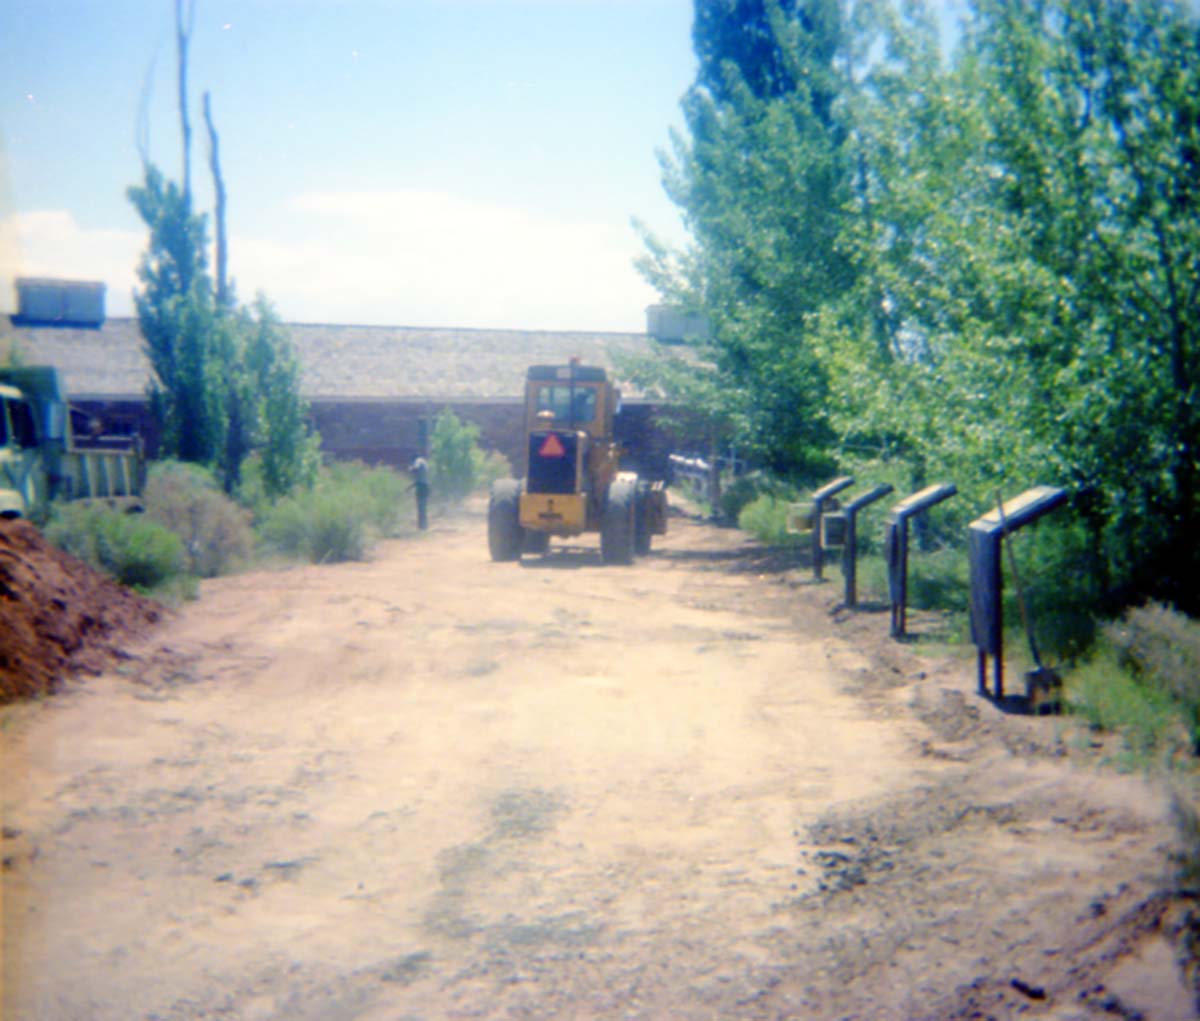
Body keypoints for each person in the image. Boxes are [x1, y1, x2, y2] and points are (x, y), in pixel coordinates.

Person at [409, 455, 430, 530]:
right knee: (423, 507)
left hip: (421, 487)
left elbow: (415, 469)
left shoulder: (418, 461)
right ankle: (423, 526)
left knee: (420, 507)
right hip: (425, 486)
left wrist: (410, 469)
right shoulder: (423, 462)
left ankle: (422, 527)